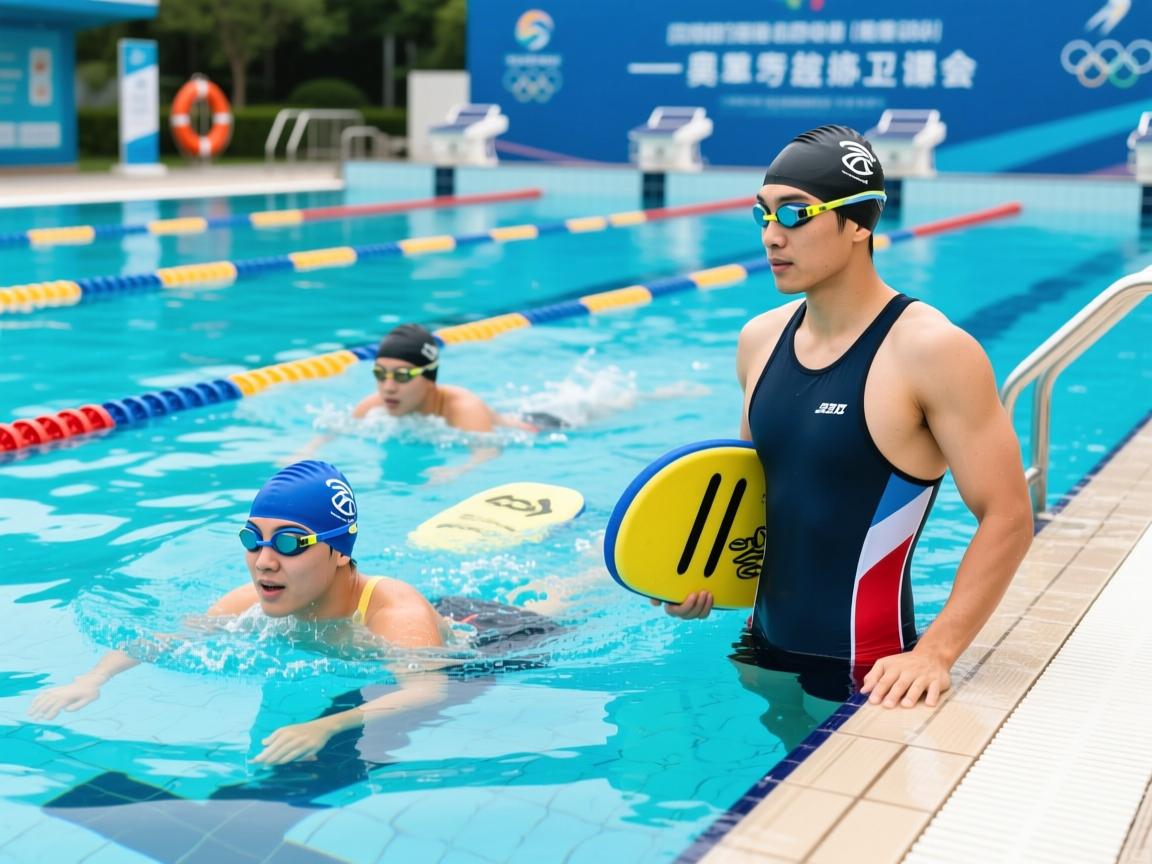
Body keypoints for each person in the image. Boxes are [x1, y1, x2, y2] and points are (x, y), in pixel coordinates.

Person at [655, 125, 1033, 710]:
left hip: (871, 672)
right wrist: (694, 577)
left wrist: (935, 653)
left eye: (795, 215)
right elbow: (752, 498)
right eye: (763, 215)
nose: (772, 237)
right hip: (758, 651)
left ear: (860, 222)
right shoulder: (759, 341)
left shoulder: (931, 351)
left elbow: (1007, 515)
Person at [29, 460, 561, 763]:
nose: (264, 561)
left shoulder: (393, 613)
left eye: (289, 542)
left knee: (545, 608)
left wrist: (330, 726)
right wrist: (92, 679)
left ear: (338, 551)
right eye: (252, 539)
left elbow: (426, 691)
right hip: (421, 626)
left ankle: (571, 586)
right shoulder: (256, 601)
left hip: (495, 640)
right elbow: (172, 636)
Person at [293, 324, 564, 482]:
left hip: (544, 425)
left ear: (429, 378)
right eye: (380, 374)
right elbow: (335, 431)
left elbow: (488, 451)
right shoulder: (374, 405)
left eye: (401, 376)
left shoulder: (464, 408)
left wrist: (457, 471)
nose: (388, 386)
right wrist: (305, 451)